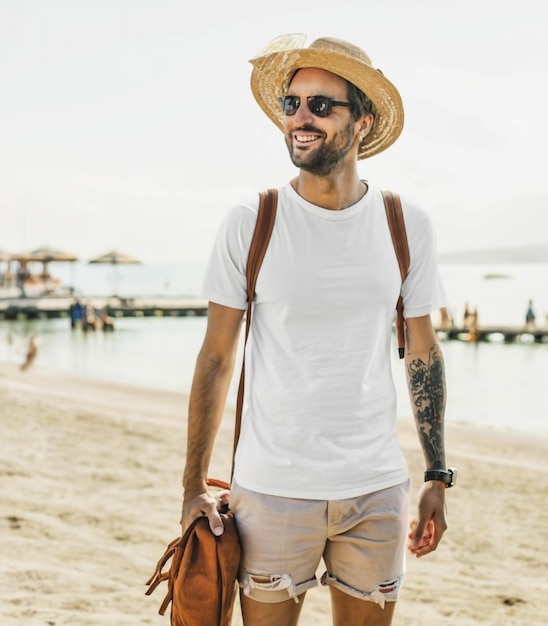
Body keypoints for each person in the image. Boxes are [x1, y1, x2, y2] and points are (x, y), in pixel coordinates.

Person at [181, 34, 453, 626]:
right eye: (292, 103)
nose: (300, 118)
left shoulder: (405, 224)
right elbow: (216, 359)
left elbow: (422, 354)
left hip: (376, 489)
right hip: (271, 489)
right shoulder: (252, 221)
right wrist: (191, 487)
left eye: (321, 105)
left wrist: (437, 474)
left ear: (362, 122)